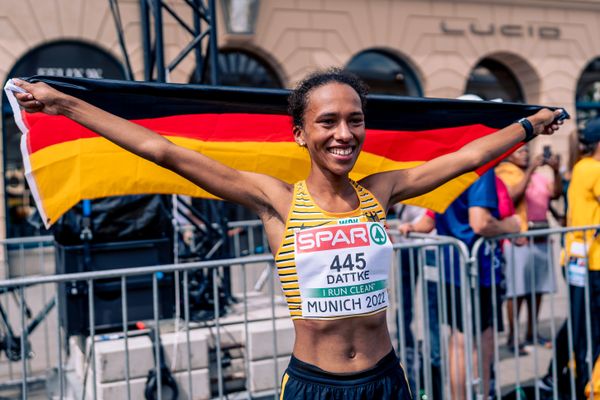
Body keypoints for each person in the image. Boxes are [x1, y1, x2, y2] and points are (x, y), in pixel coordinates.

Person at [12, 70, 562, 399]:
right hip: (313, 386)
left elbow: (467, 157)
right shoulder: (275, 200)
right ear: (300, 133)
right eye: (327, 122)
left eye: (354, 120)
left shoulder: (383, 189)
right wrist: (65, 105)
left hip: (387, 379)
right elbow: (164, 150)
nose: (344, 133)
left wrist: (529, 125)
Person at [495, 144, 561, 349]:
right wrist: (531, 169)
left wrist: (556, 171)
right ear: (510, 155)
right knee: (518, 291)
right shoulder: (504, 173)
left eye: (526, 151)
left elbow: (556, 194)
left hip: (540, 237)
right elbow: (511, 197)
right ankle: (513, 337)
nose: (525, 154)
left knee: (537, 289)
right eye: (520, 151)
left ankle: (532, 332)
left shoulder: (539, 177)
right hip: (519, 239)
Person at [563, 117, 600, 399]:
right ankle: (589, 385)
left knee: (579, 323)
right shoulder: (595, 169)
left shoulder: (581, 166)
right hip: (593, 260)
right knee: (590, 328)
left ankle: (571, 377)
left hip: (578, 258)